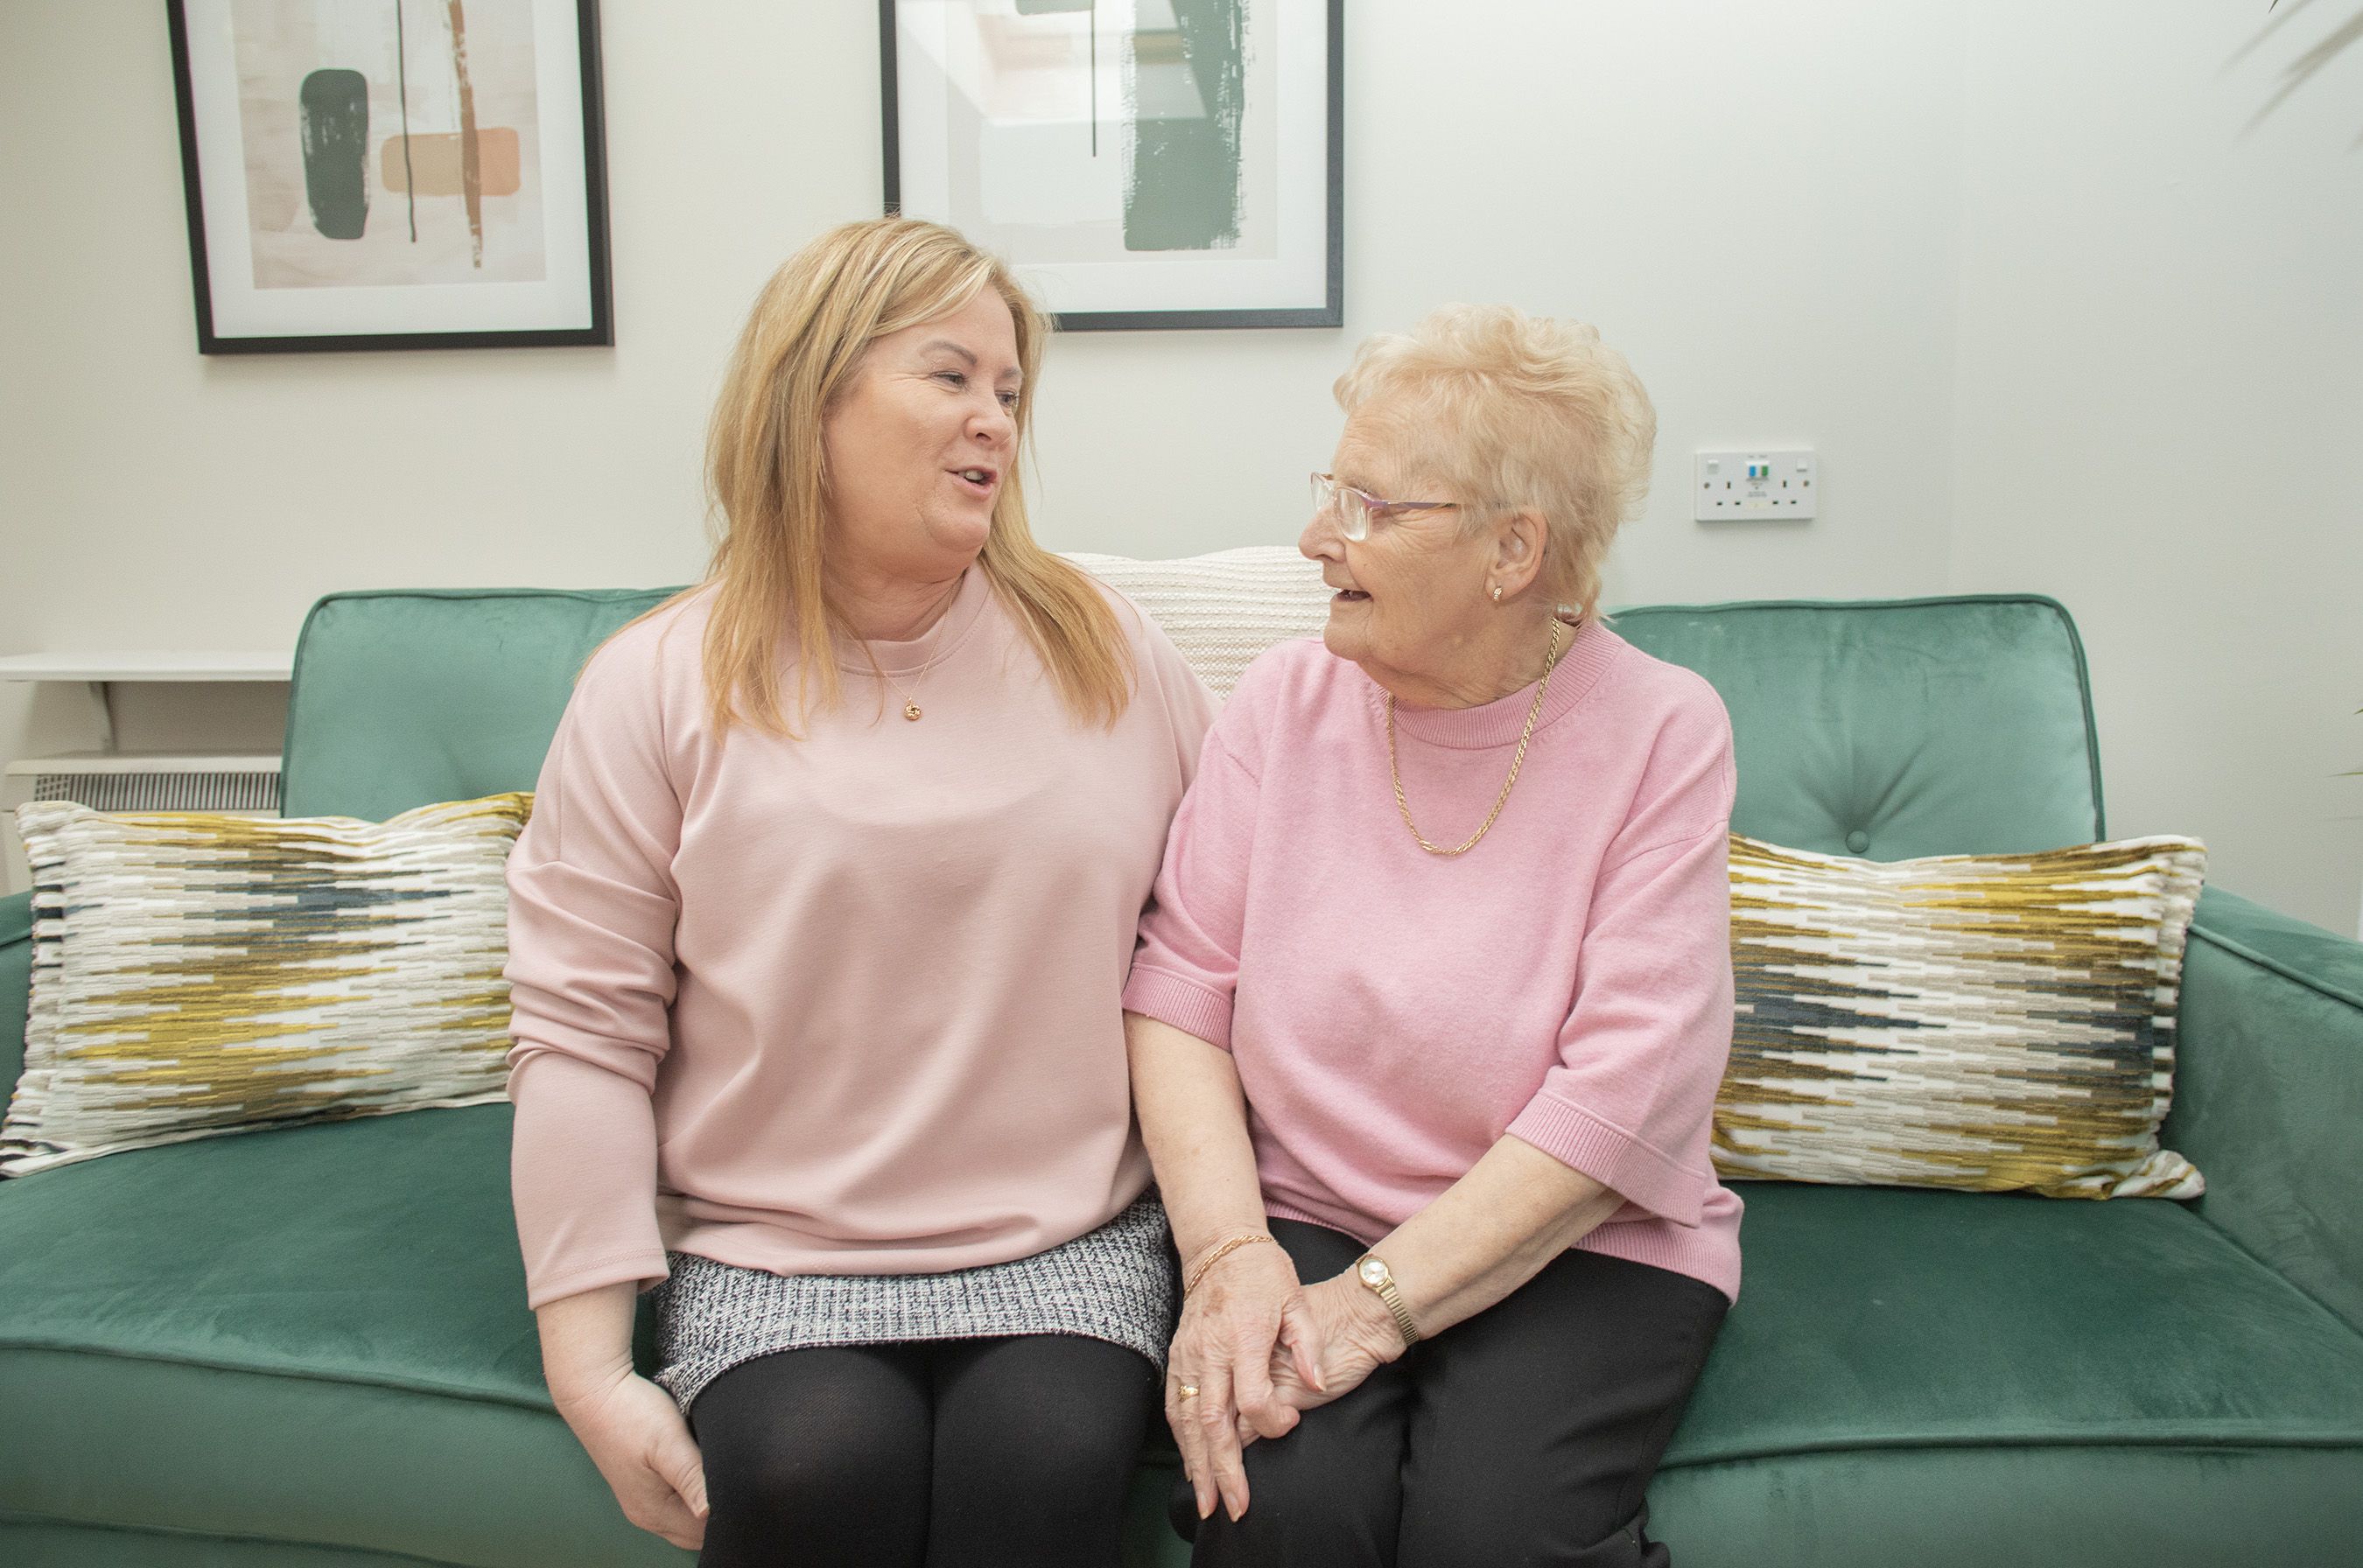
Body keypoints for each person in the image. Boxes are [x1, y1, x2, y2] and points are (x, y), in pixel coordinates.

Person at [502, 217, 1216, 1567]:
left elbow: (1223, 949)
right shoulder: (656, 684)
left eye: (1009, 392)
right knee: (810, 1470)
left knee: (1048, 1464)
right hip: (779, 1249)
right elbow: (584, 1037)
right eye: (949, 377)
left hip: (1066, 1235)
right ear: (810, 396)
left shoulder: (1108, 651)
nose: (995, 422)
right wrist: (590, 1370)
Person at [1124, 304, 1741, 1567]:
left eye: (1370, 506)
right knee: (1277, 1513)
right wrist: (1232, 1255)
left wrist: (1376, 1308)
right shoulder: (1287, 704)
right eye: (1328, 492)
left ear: (1515, 551)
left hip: (1582, 1240)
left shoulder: (1662, 734)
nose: (1315, 540)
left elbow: (1628, 1092)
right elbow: (1180, 990)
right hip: (1302, 1206)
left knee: (1495, 1535)